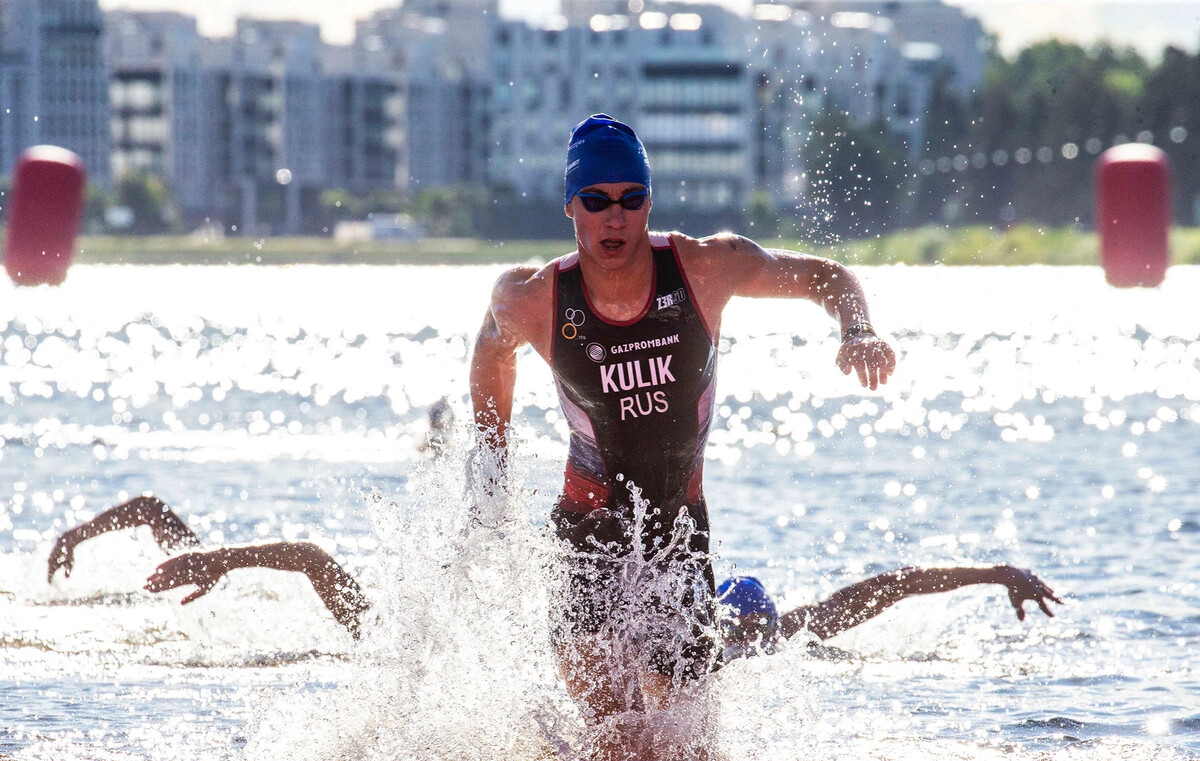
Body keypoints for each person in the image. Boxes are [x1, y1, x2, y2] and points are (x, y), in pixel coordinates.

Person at [468, 114, 897, 758]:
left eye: (630, 200)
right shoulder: (533, 297)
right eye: (597, 201)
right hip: (587, 531)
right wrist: (492, 456)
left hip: (678, 533)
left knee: (688, 746)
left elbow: (825, 278)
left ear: (648, 204)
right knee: (618, 740)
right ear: (571, 209)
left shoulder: (705, 267)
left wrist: (857, 329)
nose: (615, 217)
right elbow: (491, 354)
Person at [47, 494, 370, 638]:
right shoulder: (375, 631)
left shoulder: (385, 643)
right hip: (209, 574)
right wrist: (215, 560)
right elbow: (311, 556)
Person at [715, 567, 1063, 663]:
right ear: (715, 628)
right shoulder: (699, 651)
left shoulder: (796, 632)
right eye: (735, 631)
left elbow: (895, 585)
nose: (751, 640)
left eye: (760, 626)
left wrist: (998, 573)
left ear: (775, 622)